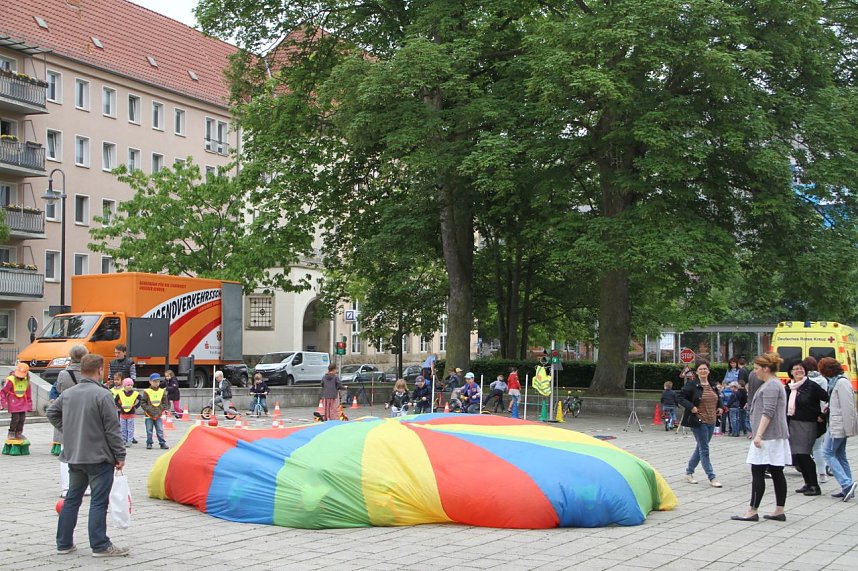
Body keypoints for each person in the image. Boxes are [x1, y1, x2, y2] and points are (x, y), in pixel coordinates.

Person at [47, 354, 129, 557]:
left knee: (72, 499)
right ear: (100, 370)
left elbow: (51, 413)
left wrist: (69, 431)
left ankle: (64, 543)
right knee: (98, 502)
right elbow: (112, 429)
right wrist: (120, 455)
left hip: (74, 456)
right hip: (99, 457)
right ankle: (100, 545)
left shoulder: (68, 394)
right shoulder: (103, 395)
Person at [731, 352, 790, 522]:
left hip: (768, 437)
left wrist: (758, 435)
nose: (754, 372)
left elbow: (768, 412)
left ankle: (752, 510)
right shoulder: (773, 384)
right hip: (773, 436)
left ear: (766, 368)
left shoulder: (771, 385)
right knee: (777, 471)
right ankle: (779, 510)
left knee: (757, 471)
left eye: (757, 368)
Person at [785, 360, 829, 496]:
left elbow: (828, 398)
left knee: (804, 454)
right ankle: (807, 483)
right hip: (793, 423)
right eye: (796, 369)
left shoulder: (811, 385)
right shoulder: (790, 387)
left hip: (808, 424)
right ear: (791, 372)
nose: (799, 371)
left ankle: (815, 486)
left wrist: (823, 415)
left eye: (801, 369)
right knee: (798, 455)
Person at [678, 360, 723, 487]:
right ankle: (712, 477)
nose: (703, 371)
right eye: (701, 369)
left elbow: (718, 398)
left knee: (700, 448)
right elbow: (680, 397)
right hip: (698, 421)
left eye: (705, 369)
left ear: (708, 370)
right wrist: (691, 407)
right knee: (704, 449)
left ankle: (689, 472)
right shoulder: (692, 385)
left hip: (712, 420)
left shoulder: (713, 385)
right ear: (697, 371)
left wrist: (720, 407)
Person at [819, 357, 858, 501]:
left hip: (838, 425)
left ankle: (847, 484)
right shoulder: (838, 382)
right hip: (838, 423)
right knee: (840, 454)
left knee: (827, 453)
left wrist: (849, 429)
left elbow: (848, 407)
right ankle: (847, 487)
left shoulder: (840, 383)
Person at [803, 356, 829, 483]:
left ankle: (808, 476)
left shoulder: (803, 381)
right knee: (818, 447)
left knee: (805, 448)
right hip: (819, 416)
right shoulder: (822, 380)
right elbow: (825, 399)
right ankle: (822, 474)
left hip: (806, 417)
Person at [2, 362, 33, 442]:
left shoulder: (26, 381)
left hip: (22, 402)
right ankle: (11, 432)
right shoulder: (11, 380)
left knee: (22, 418)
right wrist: (3, 403)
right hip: (13, 401)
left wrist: (29, 405)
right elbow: (3, 392)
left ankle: (19, 432)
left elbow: (28, 394)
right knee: (15, 418)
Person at [138, 373, 169, 450]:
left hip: (158, 414)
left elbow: (165, 402)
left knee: (160, 430)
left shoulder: (162, 391)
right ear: (150, 382)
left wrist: (162, 408)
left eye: (158, 381)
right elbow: (143, 402)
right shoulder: (147, 392)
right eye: (154, 381)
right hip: (148, 414)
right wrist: (148, 409)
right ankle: (149, 443)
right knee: (149, 430)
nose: (156, 383)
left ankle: (162, 443)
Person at [115, 379, 140, 447]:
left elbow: (141, 399)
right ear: (124, 386)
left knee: (130, 428)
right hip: (122, 414)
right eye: (128, 385)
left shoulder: (135, 393)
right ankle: (123, 440)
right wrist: (120, 406)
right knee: (123, 428)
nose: (130, 386)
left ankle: (129, 441)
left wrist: (136, 406)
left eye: (131, 385)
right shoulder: (120, 393)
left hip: (131, 414)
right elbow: (115, 400)